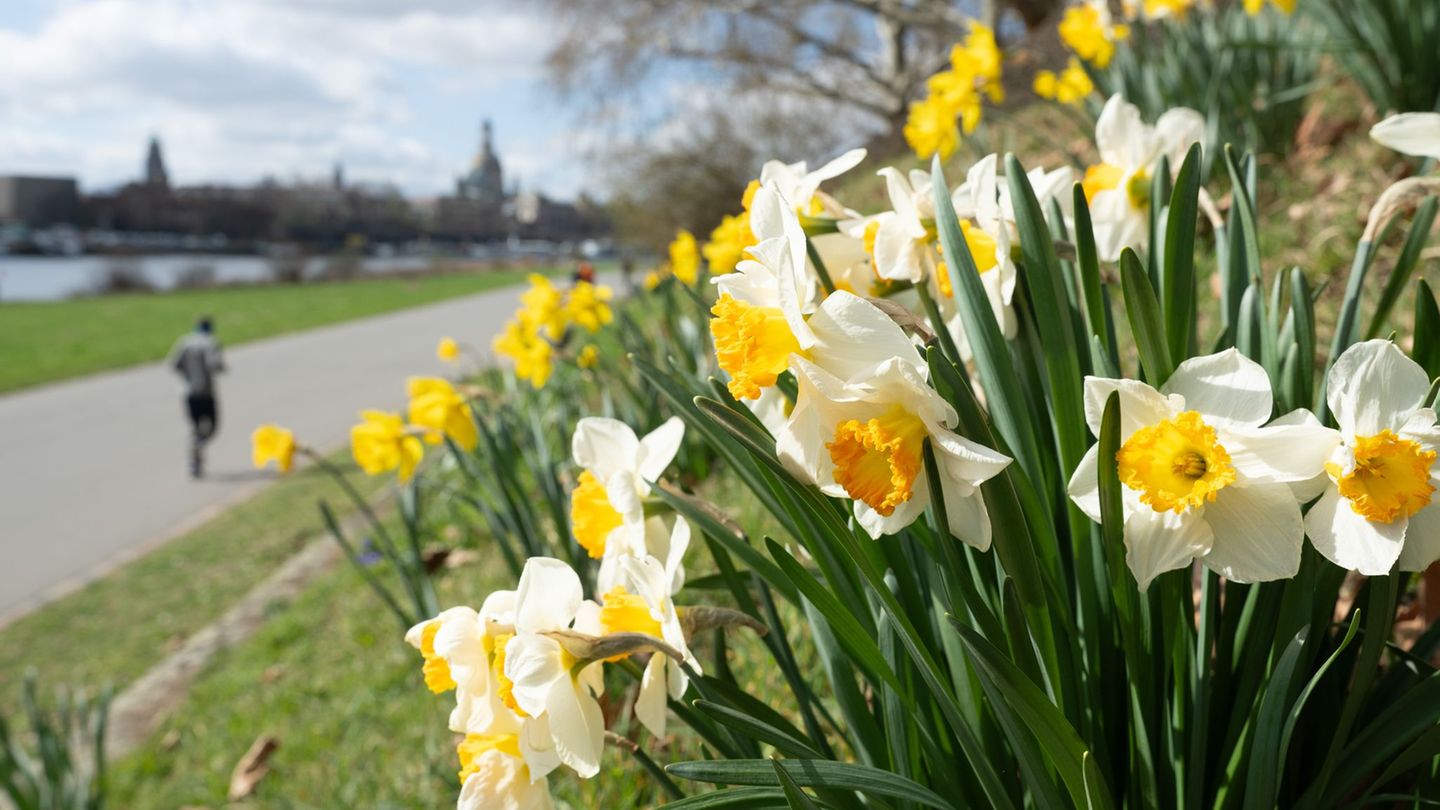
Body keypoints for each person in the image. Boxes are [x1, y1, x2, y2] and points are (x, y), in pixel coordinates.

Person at [168, 317, 225, 478]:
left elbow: (173, 365)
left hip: (188, 393)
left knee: (195, 428)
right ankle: (198, 448)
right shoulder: (211, 342)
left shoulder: (184, 342)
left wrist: (188, 375)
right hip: (206, 392)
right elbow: (215, 365)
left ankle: (194, 457)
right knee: (212, 427)